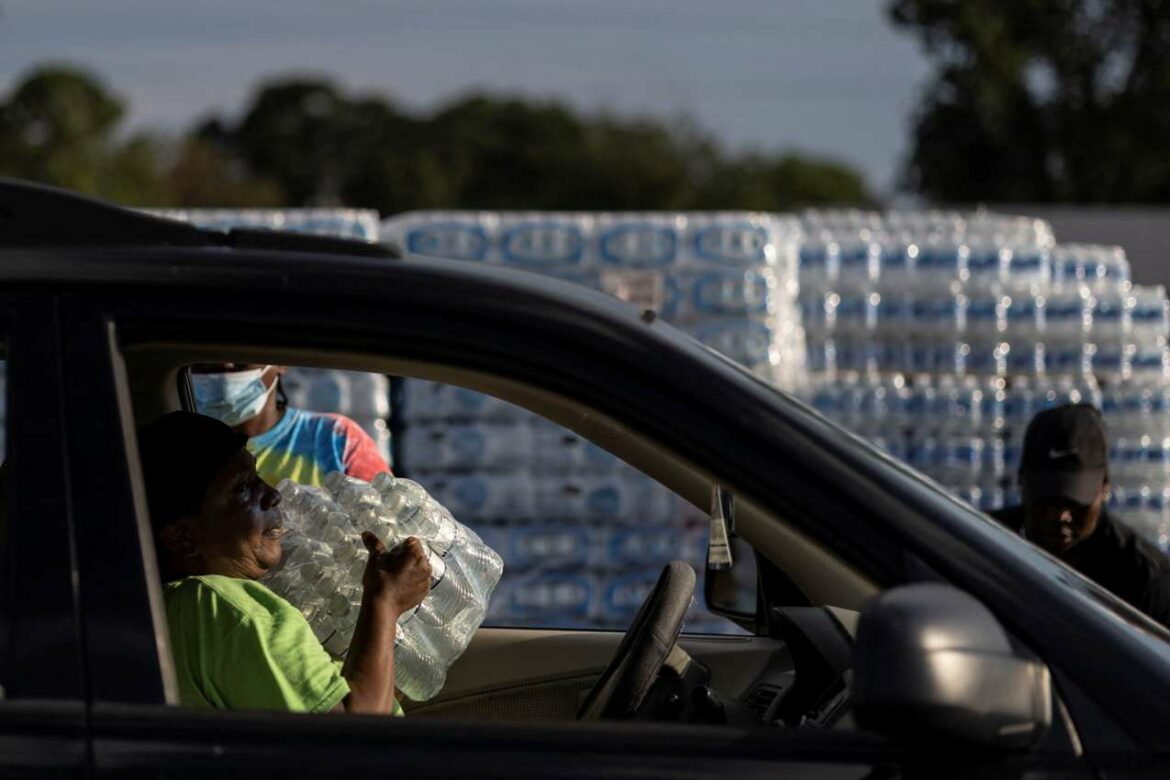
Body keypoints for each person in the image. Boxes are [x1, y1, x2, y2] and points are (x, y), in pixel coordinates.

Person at [138, 411, 431, 714]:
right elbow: (355, 740)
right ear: (183, 537)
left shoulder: (177, 607)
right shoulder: (232, 611)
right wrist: (385, 601)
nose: (273, 494)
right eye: (243, 489)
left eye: (258, 477)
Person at [991, 403, 1170, 628]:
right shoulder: (979, 546)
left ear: (1104, 488)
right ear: (1020, 483)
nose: (1061, 516)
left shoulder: (1145, 581)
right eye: (1046, 502)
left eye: (1075, 504)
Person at [190, 363, 390, 487]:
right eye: (209, 363)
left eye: (239, 357)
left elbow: (386, 524)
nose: (225, 365)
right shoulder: (179, 446)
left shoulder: (336, 439)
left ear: (281, 364)